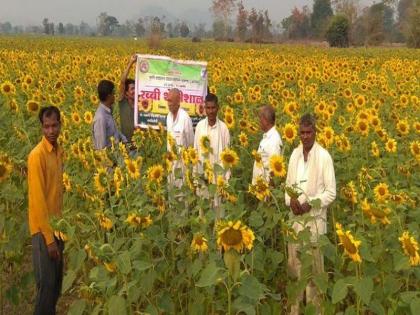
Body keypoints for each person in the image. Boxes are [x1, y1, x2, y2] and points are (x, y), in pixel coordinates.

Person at [284, 113, 336, 315]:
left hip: (314, 225)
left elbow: (331, 192)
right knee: (295, 268)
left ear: (315, 132)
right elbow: (288, 186)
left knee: (314, 273)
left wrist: (310, 204)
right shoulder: (295, 155)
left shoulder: (324, 157)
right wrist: (292, 202)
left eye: (308, 132)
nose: (305, 136)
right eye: (302, 133)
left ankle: (315, 311)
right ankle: (295, 311)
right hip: (295, 222)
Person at [28, 106, 65, 315]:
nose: (51, 130)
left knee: (56, 287)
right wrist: (49, 240)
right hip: (44, 232)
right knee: (46, 287)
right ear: (42, 128)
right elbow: (38, 201)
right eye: (46, 127)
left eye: (54, 125)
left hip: (58, 228)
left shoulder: (59, 152)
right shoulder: (37, 156)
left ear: (60, 125)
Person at [194, 93, 230, 218]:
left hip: (218, 179)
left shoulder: (224, 129)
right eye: (208, 108)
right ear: (204, 108)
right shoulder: (199, 127)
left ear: (218, 108)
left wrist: (226, 181)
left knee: (218, 214)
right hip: (203, 177)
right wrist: (195, 178)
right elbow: (196, 152)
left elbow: (227, 156)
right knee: (203, 213)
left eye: (213, 108)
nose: (211, 111)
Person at [166, 88, 194, 188]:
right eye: (167, 100)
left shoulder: (185, 118)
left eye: (170, 101)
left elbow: (191, 143)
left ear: (178, 101)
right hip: (170, 163)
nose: (168, 103)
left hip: (182, 165)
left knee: (182, 196)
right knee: (172, 194)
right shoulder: (168, 117)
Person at [252, 105, 283, 183]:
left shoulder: (274, 140)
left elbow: (274, 170)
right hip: (260, 188)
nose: (259, 121)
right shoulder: (267, 136)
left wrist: (269, 192)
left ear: (266, 120)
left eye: (260, 118)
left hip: (266, 190)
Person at [93, 80, 127, 150]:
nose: (115, 95)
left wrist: (124, 140)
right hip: (112, 158)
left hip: (119, 151)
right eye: (113, 93)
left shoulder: (108, 111)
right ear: (109, 96)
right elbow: (101, 149)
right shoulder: (101, 118)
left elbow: (113, 132)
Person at [118, 54, 137, 143]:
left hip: (139, 144)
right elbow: (122, 82)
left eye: (136, 88)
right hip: (126, 145)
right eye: (132, 89)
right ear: (126, 93)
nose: (135, 91)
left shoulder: (140, 105)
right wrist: (131, 62)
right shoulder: (123, 103)